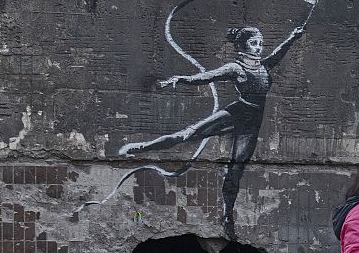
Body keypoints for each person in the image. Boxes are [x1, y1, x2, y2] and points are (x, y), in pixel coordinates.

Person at [118, 25, 305, 240]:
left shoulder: (263, 67)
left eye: (260, 43)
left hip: (250, 126)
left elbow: (278, 53)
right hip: (236, 112)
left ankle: (226, 218)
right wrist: (180, 79)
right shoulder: (235, 68)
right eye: (254, 43)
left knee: (235, 172)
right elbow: (207, 77)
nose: (259, 48)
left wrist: (293, 36)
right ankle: (142, 147)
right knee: (187, 135)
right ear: (242, 46)